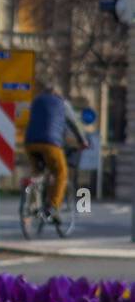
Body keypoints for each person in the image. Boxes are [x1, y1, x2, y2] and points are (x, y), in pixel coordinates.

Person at [24, 85, 89, 220]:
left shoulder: (36, 101)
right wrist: (83, 141)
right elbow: (74, 123)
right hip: (50, 143)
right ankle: (53, 208)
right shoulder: (62, 103)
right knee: (61, 173)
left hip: (30, 142)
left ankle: (33, 205)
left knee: (37, 173)